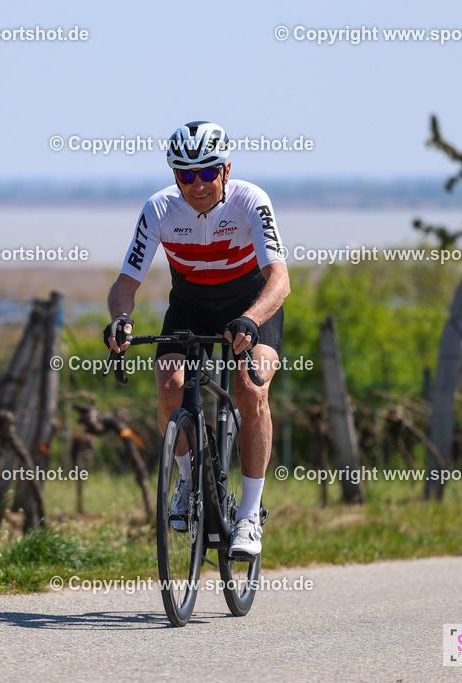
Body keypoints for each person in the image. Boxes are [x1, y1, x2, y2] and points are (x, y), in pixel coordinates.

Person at [103, 121, 289, 560]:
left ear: (226, 170)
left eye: (207, 172)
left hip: (252, 307)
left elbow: (279, 280)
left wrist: (249, 319)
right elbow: (126, 281)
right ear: (174, 176)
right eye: (186, 174)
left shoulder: (250, 201)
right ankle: (187, 480)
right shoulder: (159, 209)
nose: (198, 184)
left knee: (251, 389)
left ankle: (247, 514)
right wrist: (121, 320)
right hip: (189, 308)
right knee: (170, 390)